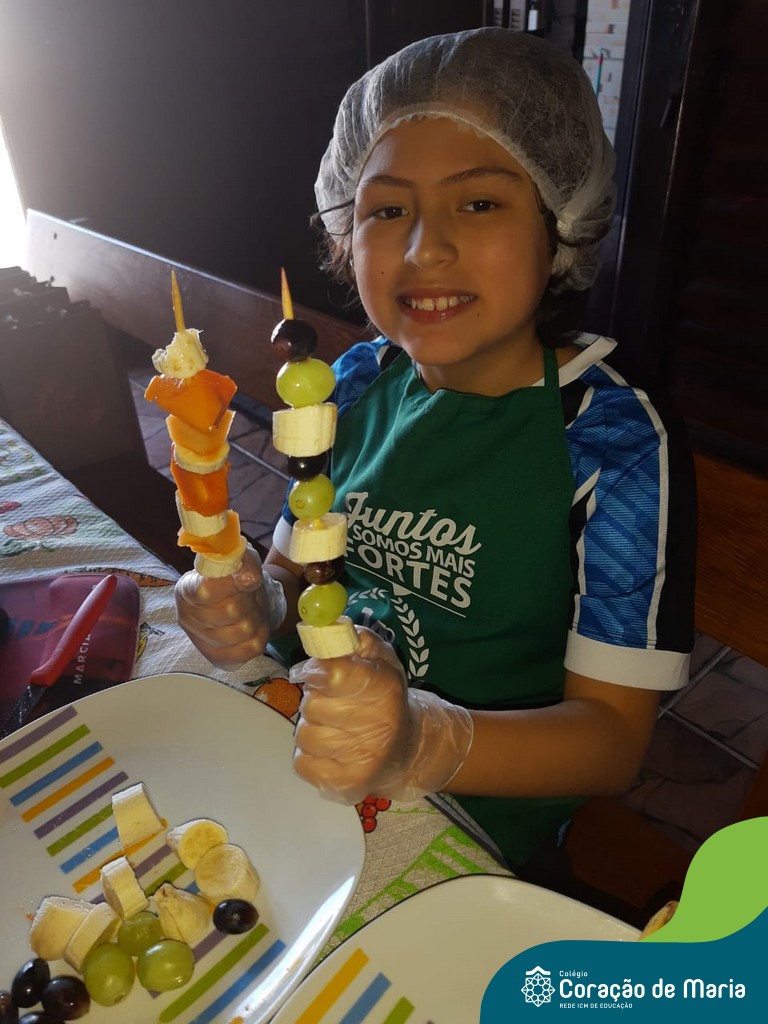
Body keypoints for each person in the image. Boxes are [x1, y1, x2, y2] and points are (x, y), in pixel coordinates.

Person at [175, 27, 696, 873]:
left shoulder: (611, 442)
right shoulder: (351, 385)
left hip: (471, 832)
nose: (426, 249)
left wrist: (421, 741)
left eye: (479, 202)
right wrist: (252, 610)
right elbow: (292, 579)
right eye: (387, 210)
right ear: (346, 235)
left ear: (561, 229)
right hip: (294, 765)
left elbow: (611, 740)